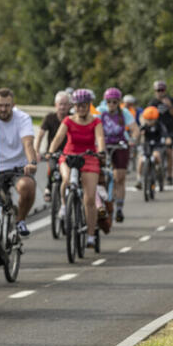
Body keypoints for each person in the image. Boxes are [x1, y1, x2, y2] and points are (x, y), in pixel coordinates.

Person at [47, 88, 105, 249]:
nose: (81, 109)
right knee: (66, 179)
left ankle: (91, 235)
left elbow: (100, 137)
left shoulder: (96, 122)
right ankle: (65, 206)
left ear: (89, 106)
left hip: (89, 158)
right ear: (74, 106)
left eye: (84, 106)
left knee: (89, 198)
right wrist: (51, 152)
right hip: (69, 157)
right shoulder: (68, 121)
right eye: (78, 106)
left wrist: (100, 151)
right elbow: (58, 138)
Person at [0, 88, 38, 236]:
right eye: (0, 106)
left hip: (18, 167)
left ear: (13, 105)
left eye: (7, 105)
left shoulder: (23, 118)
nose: (3, 109)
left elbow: (28, 143)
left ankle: (20, 220)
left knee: (27, 186)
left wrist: (32, 162)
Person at [97, 87, 139, 223]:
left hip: (120, 145)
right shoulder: (100, 112)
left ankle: (119, 208)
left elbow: (135, 129)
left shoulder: (124, 113)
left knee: (119, 178)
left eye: (115, 102)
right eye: (109, 102)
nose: (111, 105)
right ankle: (101, 204)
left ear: (119, 102)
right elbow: (91, 126)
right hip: (104, 146)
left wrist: (133, 139)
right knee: (98, 176)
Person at [34, 91, 70, 202]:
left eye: (65, 104)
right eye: (60, 104)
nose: (63, 107)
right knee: (52, 168)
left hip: (69, 152)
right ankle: (48, 187)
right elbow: (40, 135)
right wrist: (36, 151)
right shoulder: (49, 118)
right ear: (56, 105)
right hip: (52, 152)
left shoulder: (72, 118)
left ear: (69, 106)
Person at [148, 80, 173, 186]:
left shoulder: (170, 100)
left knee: (169, 152)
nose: (160, 92)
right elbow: (147, 116)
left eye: (162, 90)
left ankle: (169, 176)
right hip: (157, 131)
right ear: (155, 91)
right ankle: (157, 170)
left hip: (170, 130)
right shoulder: (153, 103)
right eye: (158, 90)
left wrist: (169, 105)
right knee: (155, 153)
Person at [136, 105, 167, 183]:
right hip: (146, 145)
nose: (149, 122)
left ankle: (159, 169)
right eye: (148, 120)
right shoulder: (144, 126)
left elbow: (164, 134)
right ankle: (139, 178)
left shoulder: (159, 126)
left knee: (156, 155)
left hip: (157, 145)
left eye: (151, 120)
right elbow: (138, 134)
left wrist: (166, 139)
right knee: (140, 160)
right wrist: (138, 136)